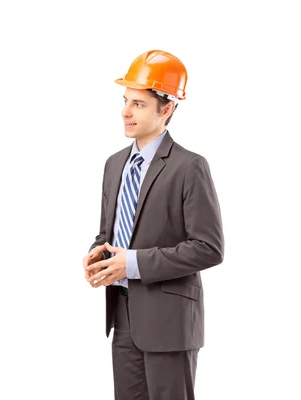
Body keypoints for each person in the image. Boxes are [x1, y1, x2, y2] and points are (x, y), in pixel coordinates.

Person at [83, 50, 224, 399]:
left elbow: (209, 248)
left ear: (167, 109)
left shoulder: (190, 167)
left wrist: (132, 263)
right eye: (125, 101)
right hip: (124, 317)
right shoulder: (114, 165)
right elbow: (108, 232)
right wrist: (97, 256)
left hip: (170, 321)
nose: (125, 112)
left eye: (139, 104)